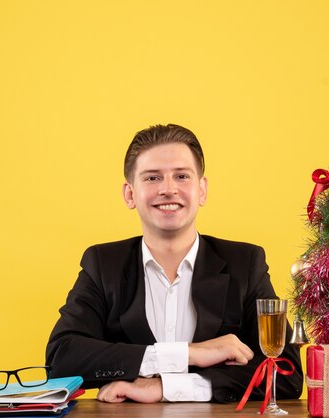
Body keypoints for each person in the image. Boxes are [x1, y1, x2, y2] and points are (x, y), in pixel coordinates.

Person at [46, 124, 303, 403]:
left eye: (181, 176)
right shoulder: (102, 264)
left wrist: (165, 387)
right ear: (130, 194)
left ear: (202, 190)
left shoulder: (245, 264)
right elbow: (62, 359)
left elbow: (286, 375)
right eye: (152, 178)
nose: (168, 190)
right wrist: (188, 353)